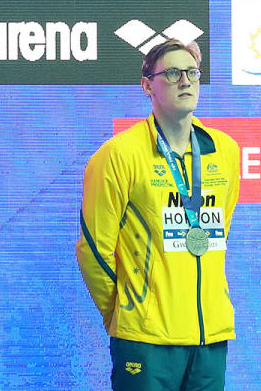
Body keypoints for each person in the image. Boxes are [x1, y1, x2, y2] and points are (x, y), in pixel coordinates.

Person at [76, 39, 241, 391]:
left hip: (209, 337)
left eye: (192, 72)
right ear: (147, 85)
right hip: (146, 340)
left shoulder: (225, 151)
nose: (186, 81)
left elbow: (219, 231)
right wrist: (127, 311)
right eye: (172, 73)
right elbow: (94, 250)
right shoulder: (117, 155)